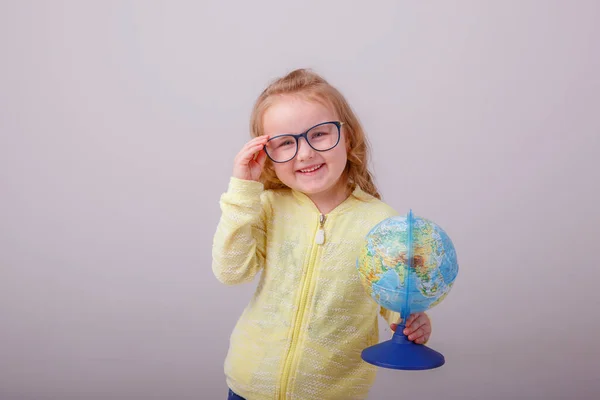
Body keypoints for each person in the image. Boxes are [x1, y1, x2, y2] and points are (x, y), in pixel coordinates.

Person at [212, 69, 432, 400]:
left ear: (348, 136)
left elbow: (394, 296)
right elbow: (231, 271)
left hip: (334, 393)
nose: (304, 153)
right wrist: (243, 190)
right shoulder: (267, 206)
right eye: (285, 142)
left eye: (319, 135)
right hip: (249, 388)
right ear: (267, 155)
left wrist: (411, 321)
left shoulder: (380, 222)